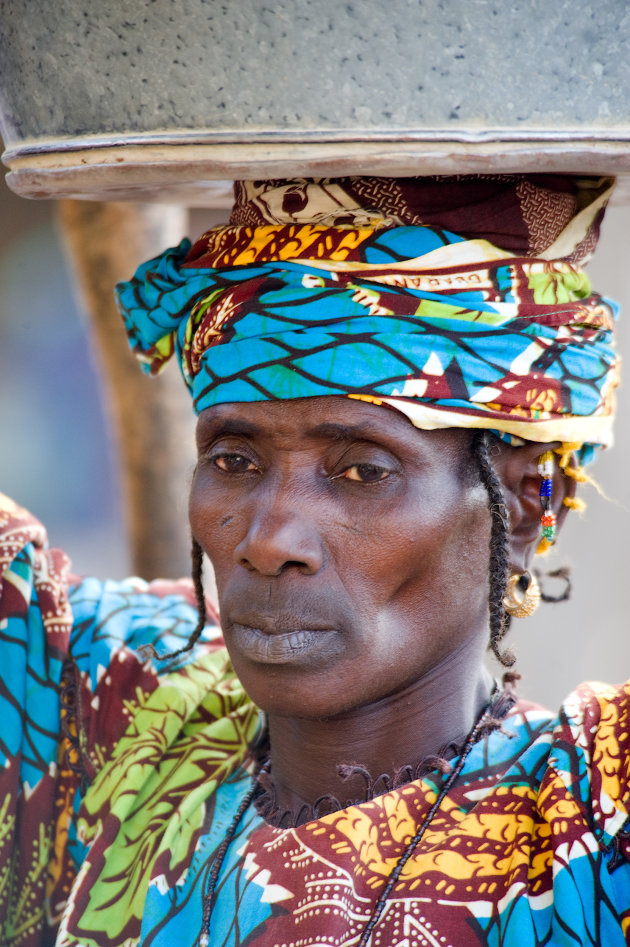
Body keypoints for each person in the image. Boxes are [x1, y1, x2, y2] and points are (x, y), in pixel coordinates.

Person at [1, 174, 628, 947]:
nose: (268, 539)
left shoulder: (587, 825)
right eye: (233, 459)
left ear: (530, 499)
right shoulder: (101, 715)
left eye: (363, 471)